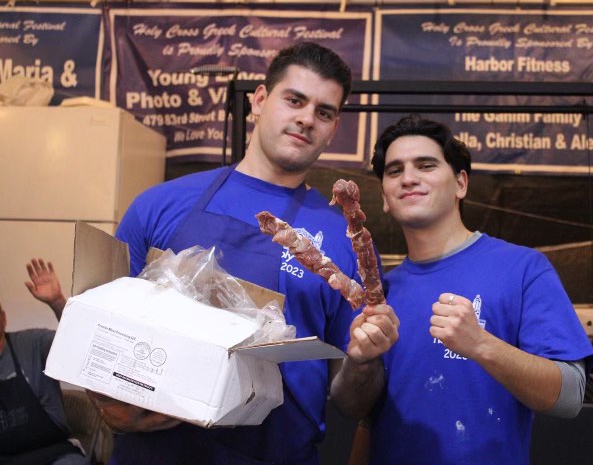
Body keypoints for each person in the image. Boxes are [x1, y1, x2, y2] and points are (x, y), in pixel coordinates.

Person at [87, 41, 399, 465]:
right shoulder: (159, 205)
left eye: (324, 112)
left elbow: (353, 404)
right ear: (259, 101)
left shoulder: (342, 242)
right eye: (294, 100)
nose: (307, 118)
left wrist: (364, 363)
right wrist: (113, 407)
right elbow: (100, 332)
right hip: (153, 452)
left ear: (332, 129)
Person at [366, 115, 593, 465]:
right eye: (395, 170)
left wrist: (481, 344)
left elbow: (569, 396)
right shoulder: (383, 290)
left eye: (426, 165)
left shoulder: (523, 269)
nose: (408, 178)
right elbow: (369, 419)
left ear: (461, 183)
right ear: (384, 196)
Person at [0, 259, 90, 465]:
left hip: (54, 454)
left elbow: (81, 343)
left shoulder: (33, 343)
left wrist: (57, 301)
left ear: (3, 318)